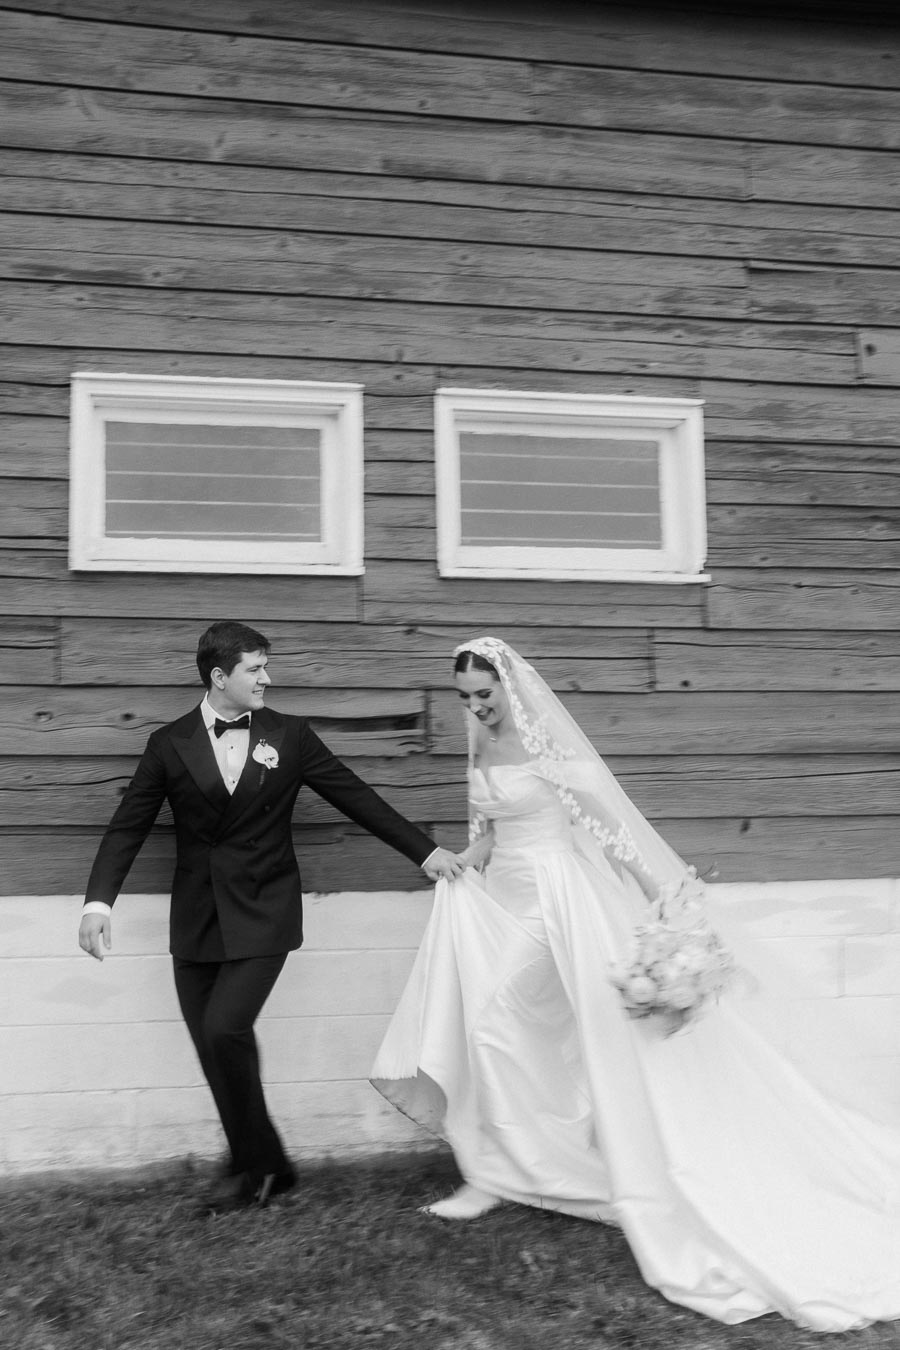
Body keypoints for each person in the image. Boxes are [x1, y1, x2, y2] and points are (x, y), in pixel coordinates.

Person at [372, 635, 900, 1332]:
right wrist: (460, 859)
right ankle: (509, 1166)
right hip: (502, 898)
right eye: (465, 698)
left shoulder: (550, 753)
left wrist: (666, 900)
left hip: (557, 902)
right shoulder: (480, 742)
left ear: (511, 687)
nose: (476, 709)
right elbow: (490, 830)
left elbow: (613, 831)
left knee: (503, 1025)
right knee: (503, 1027)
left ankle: (519, 1169)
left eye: (486, 696)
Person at [79, 620, 464, 1212]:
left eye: (266, 667)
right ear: (219, 676)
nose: (267, 678)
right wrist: (99, 901)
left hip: (264, 908)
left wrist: (426, 851)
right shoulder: (168, 743)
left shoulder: (290, 734)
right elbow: (129, 823)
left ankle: (264, 1165)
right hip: (199, 915)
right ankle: (253, 1162)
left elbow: (354, 795)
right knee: (214, 1044)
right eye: (255, 669)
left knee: (225, 1028)